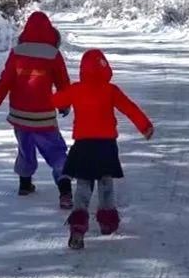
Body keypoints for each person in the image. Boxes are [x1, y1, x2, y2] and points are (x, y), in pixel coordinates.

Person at [51, 48, 153, 249]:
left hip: (83, 146)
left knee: (83, 187)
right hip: (106, 146)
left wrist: (44, 92)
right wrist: (145, 126)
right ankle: (107, 222)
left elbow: (56, 101)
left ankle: (78, 227)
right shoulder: (111, 90)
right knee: (106, 185)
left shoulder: (76, 89)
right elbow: (130, 108)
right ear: (105, 68)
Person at [0, 11, 73, 209]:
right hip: (44, 117)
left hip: (20, 116)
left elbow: (5, 82)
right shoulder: (53, 54)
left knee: (25, 149)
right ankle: (65, 190)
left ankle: (24, 184)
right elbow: (63, 83)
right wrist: (65, 103)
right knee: (56, 151)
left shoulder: (17, 52)